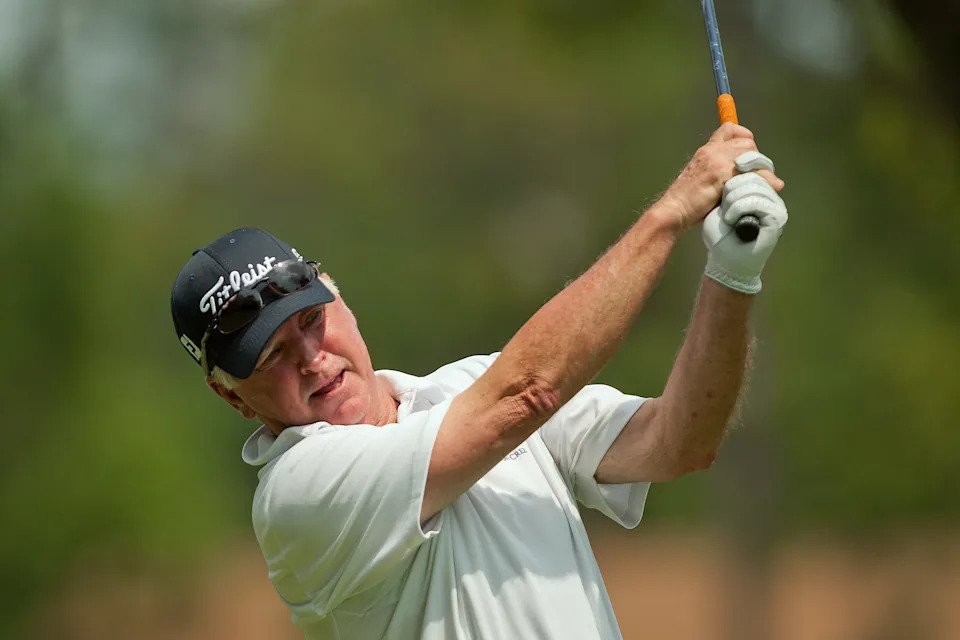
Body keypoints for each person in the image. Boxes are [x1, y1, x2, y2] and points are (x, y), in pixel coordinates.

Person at [169, 123, 788, 640]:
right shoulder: (297, 493)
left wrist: (732, 276)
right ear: (231, 395)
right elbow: (530, 392)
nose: (310, 356)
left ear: (341, 299)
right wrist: (671, 213)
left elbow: (681, 441)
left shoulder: (472, 384)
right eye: (273, 353)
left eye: (311, 320)